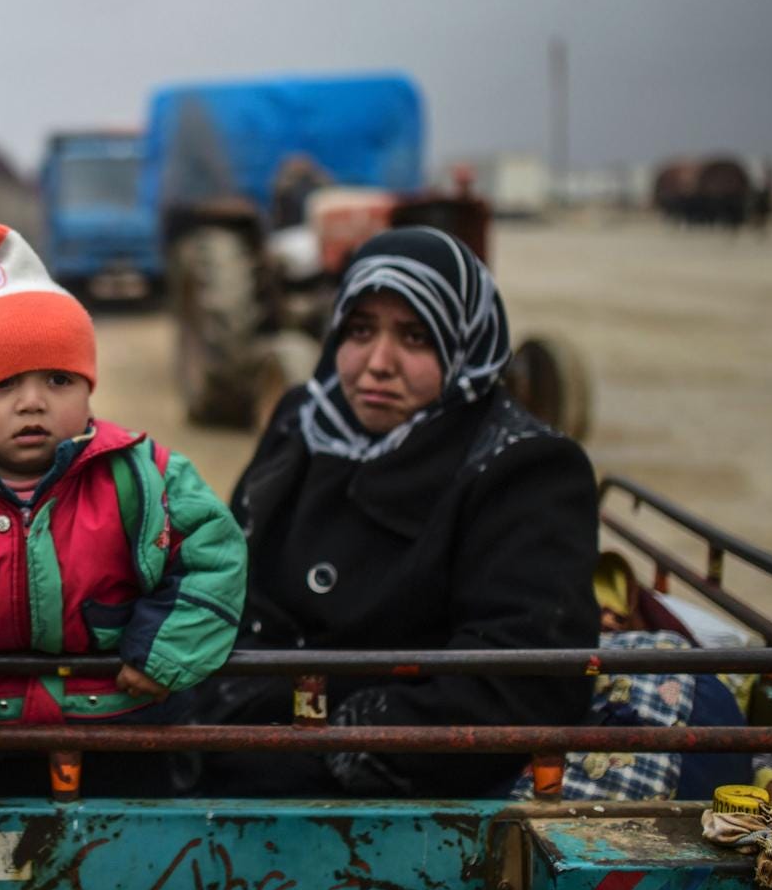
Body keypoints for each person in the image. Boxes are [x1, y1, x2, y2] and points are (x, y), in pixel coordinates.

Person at [194, 225, 600, 798]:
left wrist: (325, 747)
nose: (378, 363)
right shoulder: (302, 420)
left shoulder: (523, 470)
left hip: (368, 780)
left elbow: (518, 685)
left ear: (465, 345)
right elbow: (232, 575)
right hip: (235, 718)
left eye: (414, 337)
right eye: (360, 330)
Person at [0, 220, 245, 794]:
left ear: (88, 389)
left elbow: (215, 554)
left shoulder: (146, 476)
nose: (33, 402)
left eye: (58, 379)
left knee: (135, 865)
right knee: (11, 866)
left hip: (127, 721)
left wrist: (166, 655)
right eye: (2, 384)